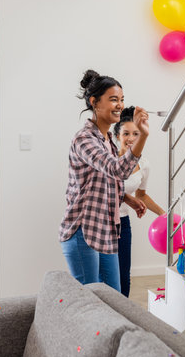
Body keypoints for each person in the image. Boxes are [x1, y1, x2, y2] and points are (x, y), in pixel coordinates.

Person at [59, 70, 149, 292]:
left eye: (121, 99)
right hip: (83, 232)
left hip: (106, 231)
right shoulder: (84, 139)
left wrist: (128, 198)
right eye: (113, 99)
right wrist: (143, 136)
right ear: (94, 102)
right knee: (91, 303)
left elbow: (106, 183)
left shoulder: (107, 139)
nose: (119, 105)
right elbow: (116, 169)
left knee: (114, 297)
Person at [113, 106, 165, 297]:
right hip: (102, 222)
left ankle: (122, 319)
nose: (131, 138)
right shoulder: (108, 159)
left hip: (123, 224)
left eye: (136, 133)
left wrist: (162, 214)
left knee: (123, 277)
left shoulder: (144, 165)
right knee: (105, 278)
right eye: (126, 133)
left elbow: (141, 195)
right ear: (117, 135)